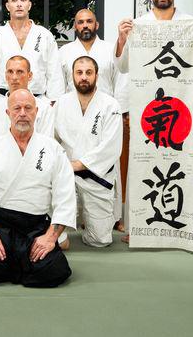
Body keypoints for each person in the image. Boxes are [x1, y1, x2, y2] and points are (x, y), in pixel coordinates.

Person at [115, 0, 193, 249]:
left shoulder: (191, 24)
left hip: (183, 108)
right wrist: (122, 38)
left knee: (186, 166)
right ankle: (138, 227)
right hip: (147, 110)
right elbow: (123, 66)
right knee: (143, 164)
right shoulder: (138, 25)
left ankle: (188, 230)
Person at [0, 89, 76, 288]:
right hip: (0, 226)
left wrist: (50, 237)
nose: (22, 113)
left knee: (53, 272)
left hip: (36, 227)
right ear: (8, 113)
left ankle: (20, 263)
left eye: (28, 108)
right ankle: (14, 263)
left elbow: (65, 197)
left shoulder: (53, 149)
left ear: (36, 112)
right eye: (17, 108)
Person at [59, 8, 128, 231]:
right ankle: (75, 217)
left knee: (109, 163)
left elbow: (122, 80)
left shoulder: (110, 50)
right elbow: (59, 84)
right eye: (80, 22)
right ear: (75, 26)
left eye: (89, 21)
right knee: (71, 160)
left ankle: (114, 216)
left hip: (104, 111)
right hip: (73, 112)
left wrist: (122, 111)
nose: (85, 25)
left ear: (96, 25)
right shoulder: (65, 51)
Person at [53, 56, 123, 247]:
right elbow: (52, 141)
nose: (84, 77)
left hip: (96, 176)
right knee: (57, 238)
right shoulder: (61, 103)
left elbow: (111, 147)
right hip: (66, 176)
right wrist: (59, 166)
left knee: (100, 240)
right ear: (72, 76)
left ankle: (91, 225)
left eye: (89, 73)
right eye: (79, 72)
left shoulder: (110, 105)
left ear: (97, 76)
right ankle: (61, 233)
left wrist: (77, 164)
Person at [0, 0, 64, 107]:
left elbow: (54, 73)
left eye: (23, 0)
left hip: (38, 102)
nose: (19, 4)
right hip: (3, 101)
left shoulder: (44, 35)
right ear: (7, 6)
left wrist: (52, 104)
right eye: (14, 0)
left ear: (29, 5)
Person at [0, 56, 54, 144]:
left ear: (30, 76)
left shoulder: (44, 109)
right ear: (5, 76)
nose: (14, 77)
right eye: (10, 72)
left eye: (20, 72)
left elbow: (47, 146)